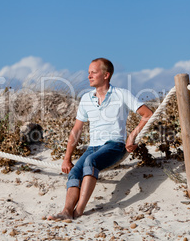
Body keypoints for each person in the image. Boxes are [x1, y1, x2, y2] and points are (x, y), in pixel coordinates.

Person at [47, 58, 153, 220]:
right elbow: (76, 130)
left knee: (90, 161)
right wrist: (67, 158)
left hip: (115, 145)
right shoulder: (86, 99)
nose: (89, 76)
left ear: (106, 75)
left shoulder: (121, 94)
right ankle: (67, 211)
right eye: (88, 72)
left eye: (93, 72)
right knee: (75, 172)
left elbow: (148, 114)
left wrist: (132, 136)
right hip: (93, 147)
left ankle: (79, 211)